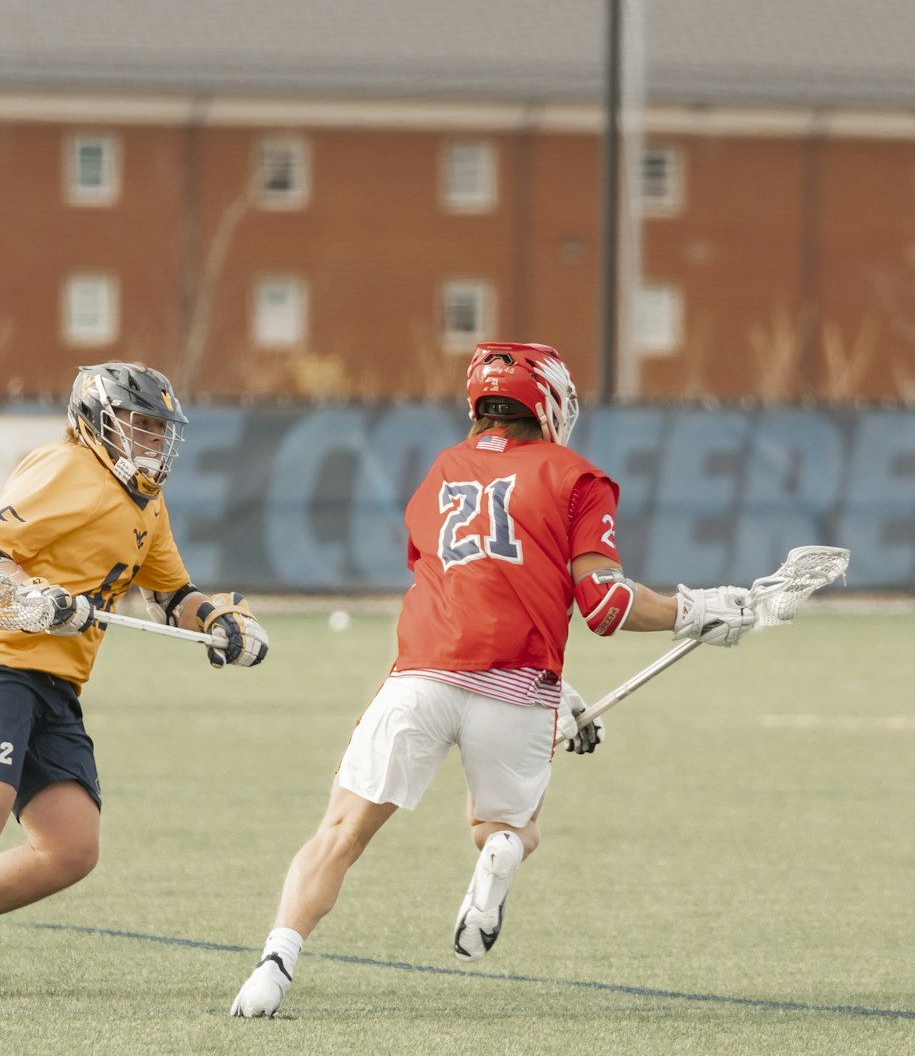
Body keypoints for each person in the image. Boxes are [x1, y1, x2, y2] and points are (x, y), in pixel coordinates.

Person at [231, 341, 754, 1019]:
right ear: (553, 403)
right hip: (515, 692)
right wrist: (696, 609)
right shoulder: (577, 477)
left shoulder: (442, 471)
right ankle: (503, 848)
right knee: (507, 827)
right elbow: (605, 605)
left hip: (422, 677)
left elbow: (465, 588)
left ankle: (273, 967)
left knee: (338, 833)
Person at [0, 360, 269, 923]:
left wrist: (221, 621)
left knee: (70, 847)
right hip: (6, 666)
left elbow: (173, 596)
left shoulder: (146, 502)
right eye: (139, 422)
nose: (152, 438)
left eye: (158, 428)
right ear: (98, 418)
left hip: (55, 684)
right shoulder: (69, 468)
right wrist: (33, 594)